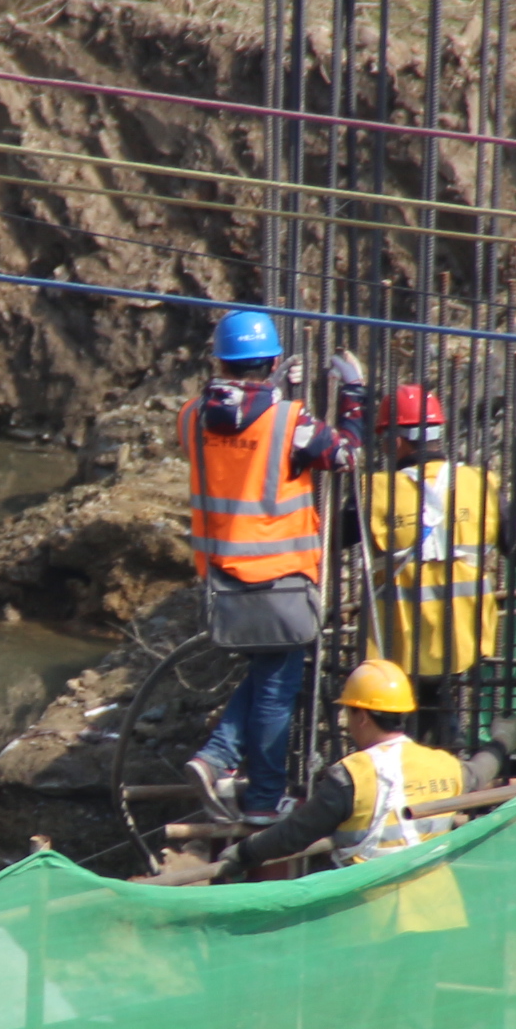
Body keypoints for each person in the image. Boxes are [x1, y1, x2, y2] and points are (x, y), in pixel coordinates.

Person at [182, 308, 364, 824]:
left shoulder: (191, 416)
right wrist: (354, 395)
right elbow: (346, 454)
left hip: (221, 576)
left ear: (219, 361)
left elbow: (236, 431)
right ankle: (261, 799)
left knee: (267, 672)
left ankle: (217, 756)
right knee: (276, 688)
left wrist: (270, 390)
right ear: (274, 360)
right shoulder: (290, 421)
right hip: (280, 577)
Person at [359, 383, 516, 760]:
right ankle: (452, 772)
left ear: (395, 441)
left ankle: (425, 777)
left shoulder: (377, 491)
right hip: (464, 635)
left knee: (407, 725)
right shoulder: (476, 483)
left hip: (402, 639)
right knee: (440, 714)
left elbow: (329, 534)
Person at [207, 659, 465, 880]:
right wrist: (491, 749)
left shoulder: (352, 775)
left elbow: (296, 833)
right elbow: (480, 770)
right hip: (436, 905)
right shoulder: (447, 765)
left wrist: (245, 852)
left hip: (371, 907)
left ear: (362, 717)